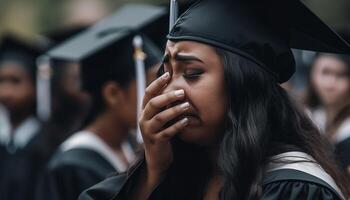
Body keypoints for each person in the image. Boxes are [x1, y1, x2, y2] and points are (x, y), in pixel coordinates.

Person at [79, 0, 350, 199]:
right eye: (166, 73)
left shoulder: (293, 189)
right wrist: (152, 174)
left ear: (244, 85)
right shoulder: (181, 172)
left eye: (192, 73)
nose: (172, 89)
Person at [35, 4, 167, 200]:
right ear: (113, 94)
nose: (159, 94)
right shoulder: (71, 166)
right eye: (149, 84)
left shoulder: (130, 146)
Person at [0, 34, 48, 200]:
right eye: (1, 81)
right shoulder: (3, 142)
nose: (6, 91)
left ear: (35, 87)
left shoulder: (47, 145)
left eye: (15, 81)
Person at [305, 53, 350, 175]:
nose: (331, 84)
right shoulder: (304, 116)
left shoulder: (347, 131)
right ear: (312, 74)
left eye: (341, 75)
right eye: (325, 72)